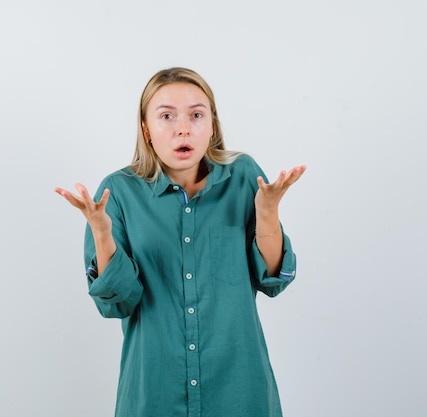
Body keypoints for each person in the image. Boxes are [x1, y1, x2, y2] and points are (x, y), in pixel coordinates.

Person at [55, 67, 306, 417]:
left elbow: (272, 280)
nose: (183, 127)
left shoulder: (245, 176)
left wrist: (267, 212)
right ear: (146, 128)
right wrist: (101, 231)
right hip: (154, 395)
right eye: (167, 116)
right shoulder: (119, 192)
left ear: (212, 126)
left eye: (196, 115)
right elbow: (118, 304)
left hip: (239, 392)